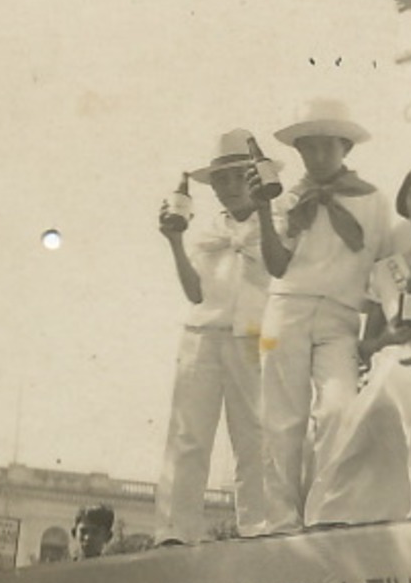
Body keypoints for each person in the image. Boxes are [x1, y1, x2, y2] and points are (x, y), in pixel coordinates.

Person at [304, 164, 411, 525]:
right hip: (392, 360)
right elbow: (366, 346)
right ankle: (347, 508)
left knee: (405, 384)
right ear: (405, 205)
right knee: (380, 388)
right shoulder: (385, 270)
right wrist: (388, 341)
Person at [253, 98, 390, 534]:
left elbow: (381, 271)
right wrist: (262, 210)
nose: (317, 156)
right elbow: (275, 264)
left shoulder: (372, 201)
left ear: (345, 147)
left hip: (341, 318)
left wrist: (373, 336)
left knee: (337, 409)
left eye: (326, 147)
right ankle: (280, 519)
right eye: (308, 148)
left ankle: (326, 510)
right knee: (282, 418)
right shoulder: (286, 199)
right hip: (286, 308)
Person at [152, 129, 273, 544]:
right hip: (202, 336)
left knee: (253, 434)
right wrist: (175, 243)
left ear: (254, 178)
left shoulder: (277, 223)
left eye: (239, 177)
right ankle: (175, 530)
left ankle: (257, 525)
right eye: (221, 179)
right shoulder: (205, 232)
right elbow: (194, 292)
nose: (230, 187)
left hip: (253, 338)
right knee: (189, 433)